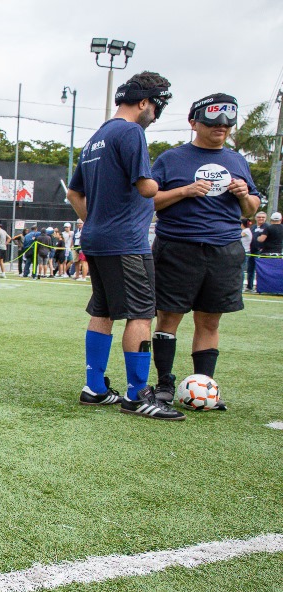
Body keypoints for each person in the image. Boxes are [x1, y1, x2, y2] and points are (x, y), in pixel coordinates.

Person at [66, 71, 184, 420]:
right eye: (156, 106)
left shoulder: (96, 137)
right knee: (141, 313)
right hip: (126, 241)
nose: (155, 114)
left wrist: (96, 218)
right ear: (144, 102)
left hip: (99, 238)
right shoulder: (131, 131)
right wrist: (184, 188)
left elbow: (74, 192)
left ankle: (95, 388)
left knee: (102, 310)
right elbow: (147, 188)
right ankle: (137, 395)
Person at [149, 94, 260, 409]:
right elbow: (149, 201)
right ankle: (165, 386)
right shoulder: (171, 158)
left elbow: (252, 208)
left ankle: (205, 387)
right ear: (193, 122)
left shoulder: (237, 160)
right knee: (168, 317)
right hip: (177, 248)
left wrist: (243, 195)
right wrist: (184, 191)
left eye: (227, 123)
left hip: (224, 250)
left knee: (210, 321)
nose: (221, 128)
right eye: (213, 122)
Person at [247, 211, 266, 291]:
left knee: (260, 271)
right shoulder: (253, 227)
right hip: (251, 251)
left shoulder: (267, 227)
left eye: (262, 217)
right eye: (259, 217)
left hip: (261, 252)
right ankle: (249, 286)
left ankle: (260, 287)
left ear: (265, 218)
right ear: (256, 218)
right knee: (250, 269)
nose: (260, 219)